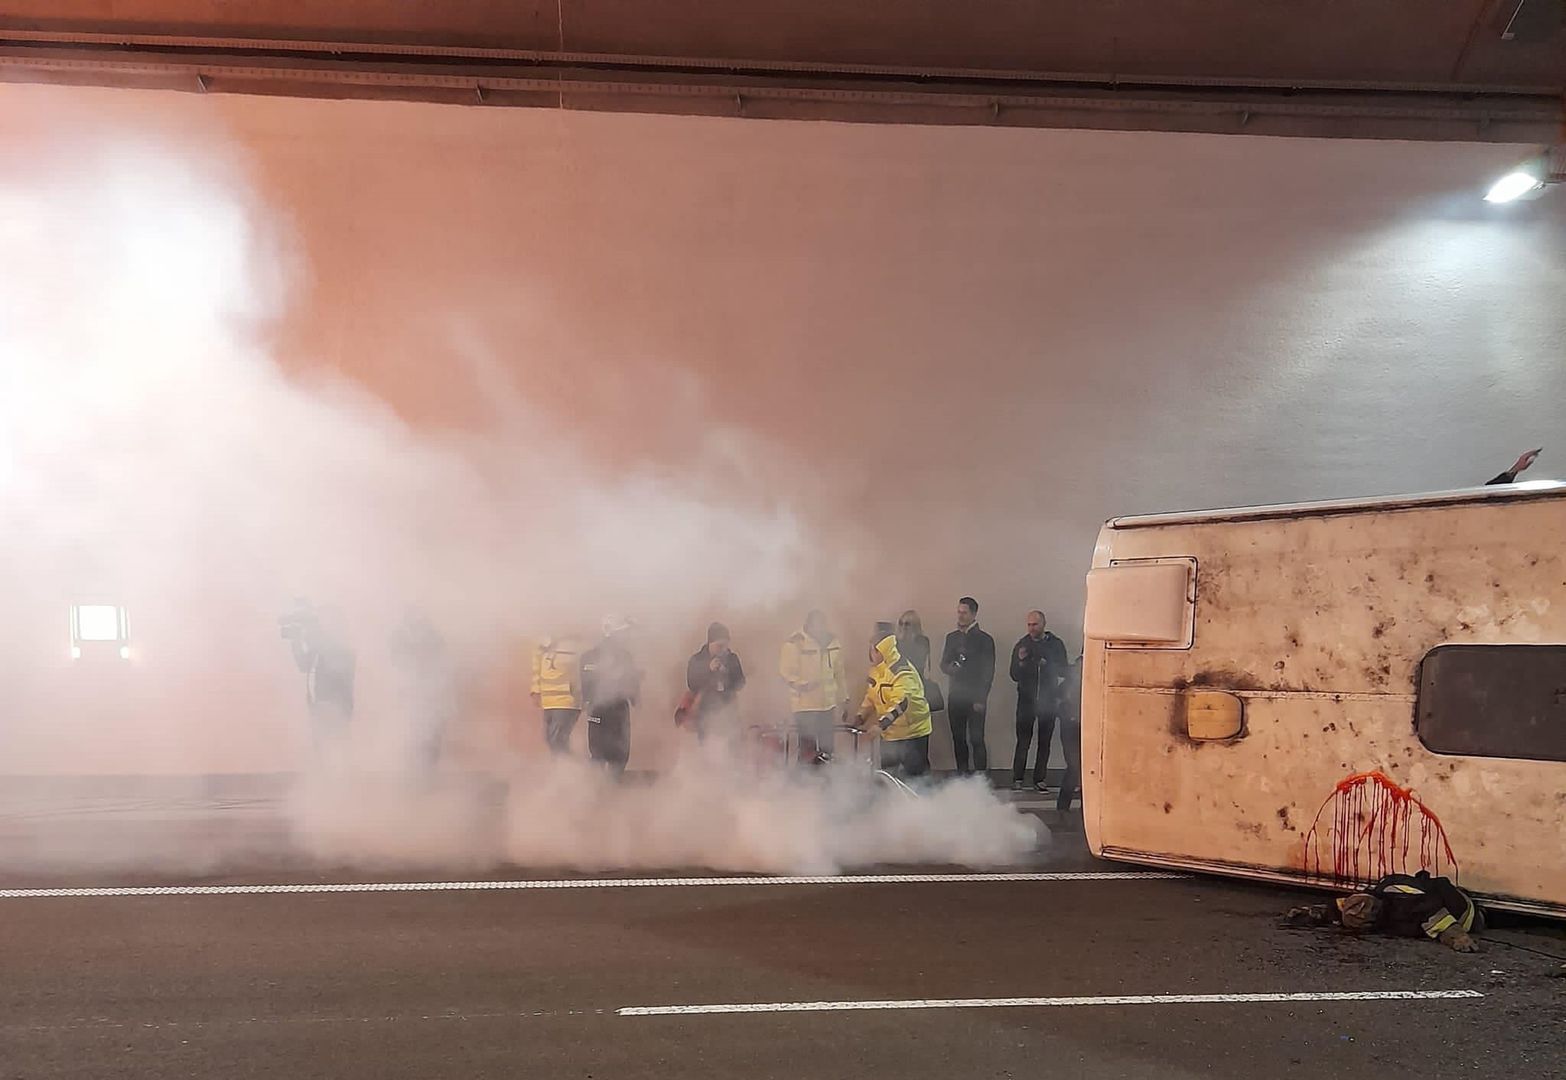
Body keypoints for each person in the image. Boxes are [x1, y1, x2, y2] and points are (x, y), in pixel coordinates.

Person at [1285, 870, 1484, 952]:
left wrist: (1458, 938)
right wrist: (1310, 912)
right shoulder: (1372, 896)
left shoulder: (1405, 905)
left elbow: (1440, 920)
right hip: (1433, 896)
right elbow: (1340, 909)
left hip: (1466, 913)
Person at [856, 623, 933, 779]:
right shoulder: (876, 670)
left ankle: (922, 801)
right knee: (890, 777)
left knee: (915, 778)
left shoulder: (902, 671)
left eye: (874, 649)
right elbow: (871, 696)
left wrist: (880, 725)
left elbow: (902, 702)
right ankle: (893, 802)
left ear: (883, 651)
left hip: (912, 732)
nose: (871, 653)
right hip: (890, 733)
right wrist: (860, 716)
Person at [389, 610, 458, 773]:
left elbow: (443, 668)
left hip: (432, 697)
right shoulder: (400, 639)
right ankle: (417, 775)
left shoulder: (433, 638)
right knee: (416, 737)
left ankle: (425, 776)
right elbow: (397, 665)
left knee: (430, 738)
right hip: (416, 696)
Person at [282, 600, 356, 749]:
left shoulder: (335, 644)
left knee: (330, 747)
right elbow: (304, 665)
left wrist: (305, 638)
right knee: (327, 748)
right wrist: (297, 641)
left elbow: (333, 668)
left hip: (332, 704)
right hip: (326, 704)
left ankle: (334, 770)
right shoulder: (330, 643)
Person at [1009, 610, 1069, 792]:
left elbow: (1064, 671)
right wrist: (1020, 662)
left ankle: (1039, 779)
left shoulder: (1056, 645)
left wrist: (1047, 664)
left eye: (1035, 625)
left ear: (1043, 624)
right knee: (1023, 741)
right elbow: (1013, 675)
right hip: (1026, 701)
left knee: (1045, 742)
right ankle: (1018, 778)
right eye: (1029, 625)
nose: (1031, 628)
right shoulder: (1022, 645)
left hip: (1048, 700)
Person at [779, 610, 848, 765]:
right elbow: (786, 672)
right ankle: (805, 782)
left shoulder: (833, 642)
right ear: (808, 625)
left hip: (828, 704)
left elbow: (839, 674)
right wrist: (801, 685)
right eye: (816, 625)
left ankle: (826, 779)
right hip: (805, 705)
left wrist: (844, 700)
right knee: (807, 749)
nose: (820, 629)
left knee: (827, 749)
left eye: (822, 625)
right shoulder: (795, 642)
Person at [939, 596, 996, 777]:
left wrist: (981, 698)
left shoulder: (985, 640)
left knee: (976, 739)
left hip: (975, 698)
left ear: (974, 614)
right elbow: (943, 664)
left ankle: (981, 779)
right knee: (958, 738)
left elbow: (988, 672)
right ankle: (962, 776)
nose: (960, 616)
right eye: (959, 612)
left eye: (964, 613)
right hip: (956, 696)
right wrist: (951, 668)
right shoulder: (952, 637)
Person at [581, 615, 641, 778]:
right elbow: (632, 684)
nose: (626, 636)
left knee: (598, 754)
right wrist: (636, 698)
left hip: (596, 711)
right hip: (615, 711)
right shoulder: (624, 656)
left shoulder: (587, 657)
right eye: (623, 633)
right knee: (618, 755)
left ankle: (597, 792)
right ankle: (609, 790)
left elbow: (585, 689)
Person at [683, 622, 747, 742]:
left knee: (733, 747)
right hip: (705, 713)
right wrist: (708, 669)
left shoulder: (732, 658)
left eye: (725, 646)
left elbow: (741, 683)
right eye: (719, 646)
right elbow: (691, 683)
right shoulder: (697, 659)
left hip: (729, 711)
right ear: (710, 643)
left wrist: (729, 672)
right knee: (708, 749)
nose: (723, 649)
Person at [531, 634, 582, 756]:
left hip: (567, 700)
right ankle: (566, 769)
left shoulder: (573, 645)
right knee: (551, 740)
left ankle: (568, 770)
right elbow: (536, 667)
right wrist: (536, 690)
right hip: (548, 701)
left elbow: (579, 669)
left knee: (557, 740)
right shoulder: (543, 643)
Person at [1056, 653, 1084, 811]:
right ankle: (1062, 807)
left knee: (1085, 768)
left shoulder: (1094, 683)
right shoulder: (1067, 686)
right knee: (1074, 767)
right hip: (1071, 729)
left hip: (1087, 729)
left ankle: (1084, 808)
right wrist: (1071, 716)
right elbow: (1057, 702)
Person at [895, 610, 932, 680]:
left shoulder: (922, 641)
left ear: (915, 625)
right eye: (901, 623)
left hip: (917, 677)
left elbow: (922, 663)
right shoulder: (895, 642)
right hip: (899, 678)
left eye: (907, 624)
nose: (903, 627)